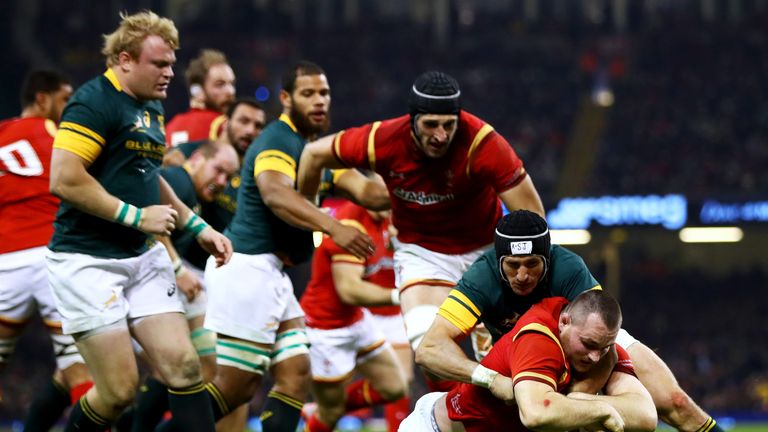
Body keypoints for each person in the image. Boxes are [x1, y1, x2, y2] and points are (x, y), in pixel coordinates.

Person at [46, 11, 231, 430]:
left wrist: (198, 228)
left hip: (140, 257)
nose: (170, 73)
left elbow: (148, 178)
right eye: (160, 64)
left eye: (171, 63)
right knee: (118, 392)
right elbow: (64, 177)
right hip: (87, 260)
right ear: (124, 60)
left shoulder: (151, 106)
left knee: (185, 368)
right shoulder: (94, 101)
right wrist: (135, 217)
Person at [298, 71, 545, 378]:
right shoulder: (383, 139)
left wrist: (533, 273)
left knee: (509, 354)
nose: (440, 135)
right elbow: (312, 153)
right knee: (429, 350)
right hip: (422, 253)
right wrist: (308, 215)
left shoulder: (483, 143)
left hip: (485, 252)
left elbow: (533, 215)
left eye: (448, 125)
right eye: (431, 124)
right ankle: (473, 397)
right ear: (412, 120)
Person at [416, 210, 725, 432]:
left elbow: (600, 335)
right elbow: (429, 350)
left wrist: (580, 398)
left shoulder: (569, 270)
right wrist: (492, 380)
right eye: (512, 266)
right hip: (519, 355)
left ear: (547, 260)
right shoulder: (482, 278)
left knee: (675, 401)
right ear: (499, 263)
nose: (522, 275)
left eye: (532, 264)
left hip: (577, 342)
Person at [190, 61, 374, 432]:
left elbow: (370, 191)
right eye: (308, 94)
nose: (319, 101)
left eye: (324, 93)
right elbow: (275, 193)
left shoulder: (315, 151)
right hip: (246, 267)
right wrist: (333, 227)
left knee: (295, 375)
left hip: (270, 272)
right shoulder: (279, 139)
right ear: (287, 99)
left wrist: (411, 174)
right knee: (234, 388)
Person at [401, 290, 657, 432]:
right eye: (589, 344)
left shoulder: (600, 348)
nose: (594, 356)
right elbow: (536, 414)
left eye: (604, 347)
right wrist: (601, 409)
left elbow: (646, 415)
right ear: (564, 322)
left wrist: (582, 400)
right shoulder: (539, 337)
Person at [0, 70, 94, 431]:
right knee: (79, 368)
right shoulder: (60, 133)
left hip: (6, 259)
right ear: (42, 99)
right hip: (54, 257)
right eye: (65, 98)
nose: (69, 107)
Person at [128, 141, 239, 431]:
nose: (221, 182)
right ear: (198, 158)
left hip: (158, 281)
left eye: (227, 177)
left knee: (185, 369)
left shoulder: (193, 194)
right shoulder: (180, 181)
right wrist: (178, 268)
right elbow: (151, 215)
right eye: (218, 171)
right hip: (148, 277)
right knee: (199, 368)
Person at [300, 201, 407, 432]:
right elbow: (348, 290)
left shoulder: (387, 219)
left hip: (357, 319)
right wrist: (403, 296)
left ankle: (324, 408)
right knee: (330, 414)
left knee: (396, 387)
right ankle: (324, 411)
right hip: (325, 328)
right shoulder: (350, 224)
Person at [162, 96, 267, 167]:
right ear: (226, 123)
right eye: (244, 121)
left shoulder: (256, 175)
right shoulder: (188, 152)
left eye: (258, 126)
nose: (250, 131)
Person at [165, 49, 235, 147]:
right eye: (220, 85)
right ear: (197, 91)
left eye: (232, 84)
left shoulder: (170, 126)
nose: (230, 92)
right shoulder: (224, 126)